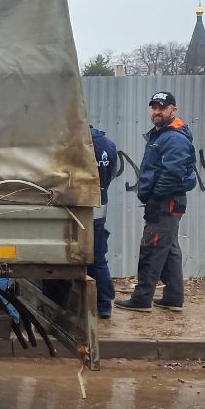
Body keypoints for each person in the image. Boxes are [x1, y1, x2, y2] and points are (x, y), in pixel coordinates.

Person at [115, 91, 198, 313]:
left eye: (162, 107)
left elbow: (172, 172)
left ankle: (142, 299)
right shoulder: (163, 135)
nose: (157, 111)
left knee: (152, 247)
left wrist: (155, 197)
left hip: (165, 202)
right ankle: (173, 297)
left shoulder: (174, 137)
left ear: (173, 109)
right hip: (168, 201)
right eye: (154, 107)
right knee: (168, 248)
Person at [89, 124, 118, 318]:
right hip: (98, 208)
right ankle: (104, 304)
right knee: (98, 259)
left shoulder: (71, 144)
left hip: (73, 210)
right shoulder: (108, 144)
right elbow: (112, 172)